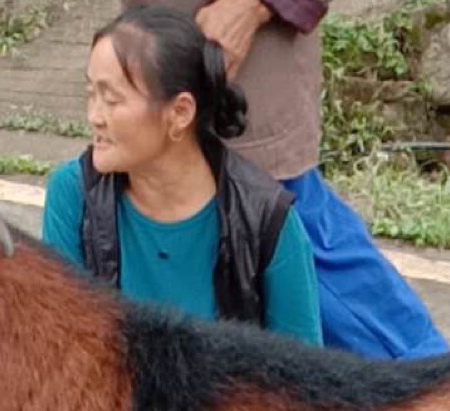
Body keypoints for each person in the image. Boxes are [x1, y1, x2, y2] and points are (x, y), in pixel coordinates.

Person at [124, 0, 449, 360]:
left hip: (245, 67)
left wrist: (249, 8)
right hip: (153, 69)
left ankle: (447, 399)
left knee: (291, 243)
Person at [42, 6, 321, 346]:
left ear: (180, 113)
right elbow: (57, 348)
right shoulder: (73, 195)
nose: (94, 117)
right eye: (91, 95)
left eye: (111, 100)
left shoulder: (267, 221)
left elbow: (301, 379)